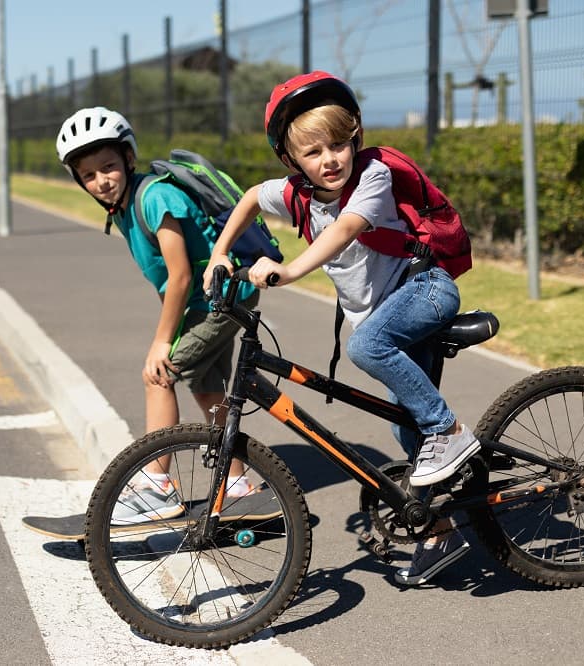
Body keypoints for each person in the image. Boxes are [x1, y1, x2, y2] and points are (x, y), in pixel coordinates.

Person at [202, 71, 480, 586]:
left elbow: (348, 229)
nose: (329, 159)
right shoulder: (296, 194)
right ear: (292, 161)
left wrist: (287, 270)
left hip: (426, 291)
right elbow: (246, 199)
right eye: (313, 152)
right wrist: (219, 255)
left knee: (368, 346)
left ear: (354, 140)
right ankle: (441, 533)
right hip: (391, 315)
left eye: (338, 145)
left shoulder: (371, 176)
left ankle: (451, 432)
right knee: (404, 425)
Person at [56, 106, 259, 524]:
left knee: (158, 374)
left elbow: (182, 275)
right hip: (215, 300)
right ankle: (238, 484)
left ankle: (156, 487)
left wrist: (162, 340)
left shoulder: (153, 196)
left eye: (108, 166)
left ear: (128, 159)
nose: (101, 180)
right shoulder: (126, 205)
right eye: (89, 175)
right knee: (208, 390)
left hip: (219, 297)